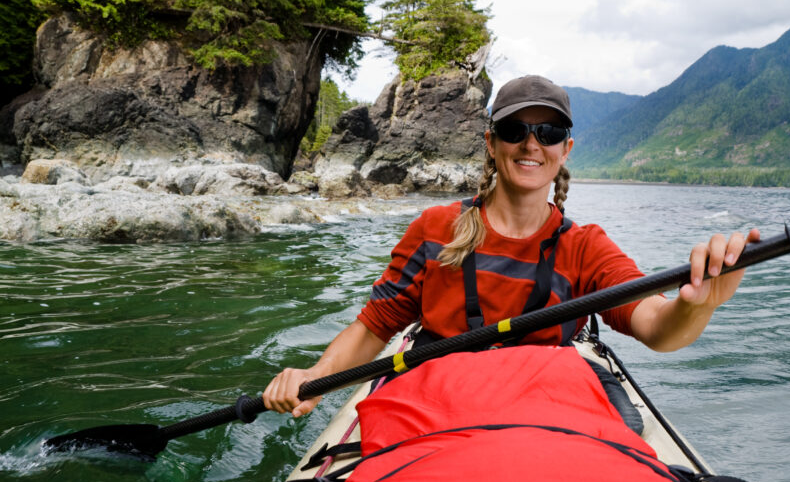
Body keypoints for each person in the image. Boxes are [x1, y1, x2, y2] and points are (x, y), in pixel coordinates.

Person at [263, 74, 760, 417]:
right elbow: (375, 327)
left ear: (565, 149)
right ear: (491, 141)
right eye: (514, 129)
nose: (531, 143)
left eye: (549, 132)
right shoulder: (437, 228)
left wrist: (698, 305)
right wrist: (317, 375)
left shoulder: (584, 246)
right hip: (436, 408)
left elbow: (656, 326)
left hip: (541, 416)